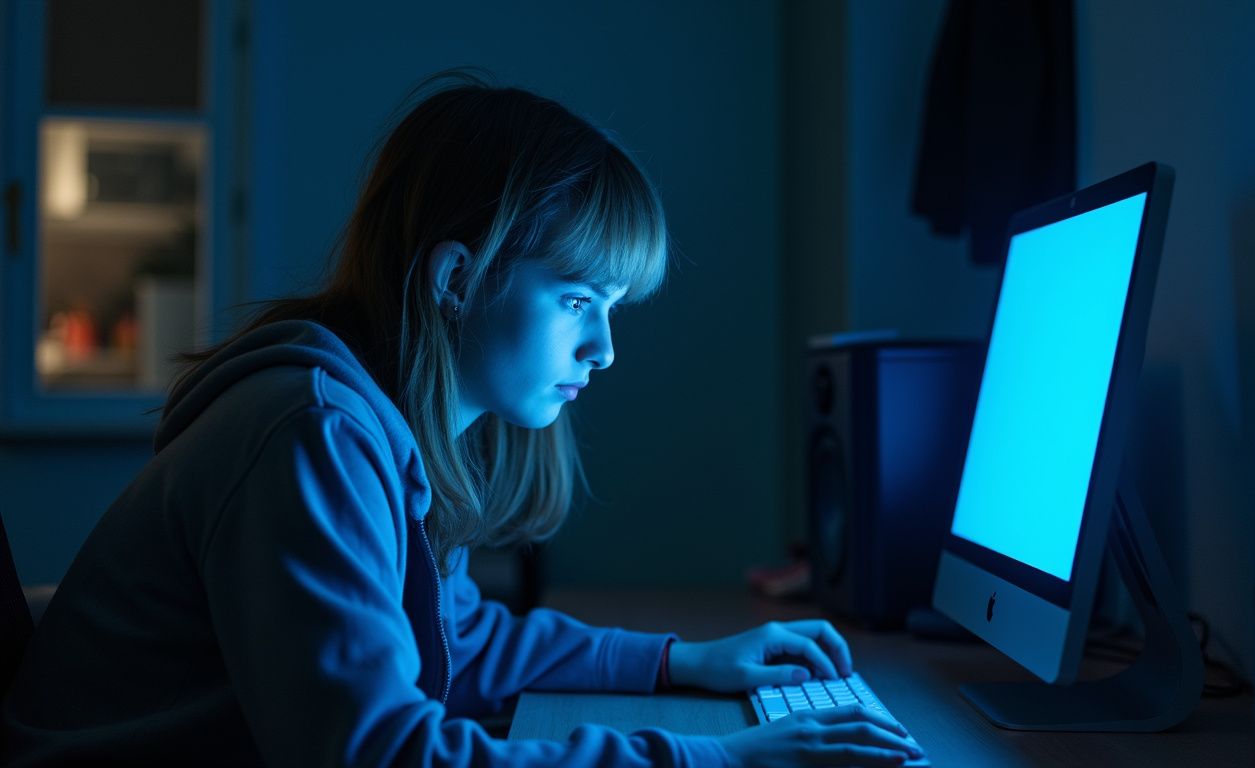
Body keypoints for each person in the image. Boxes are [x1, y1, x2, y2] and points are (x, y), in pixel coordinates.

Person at [0, 72, 923, 767]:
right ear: (456, 281)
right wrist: (713, 757)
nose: (604, 348)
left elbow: (457, 639)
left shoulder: (370, 419)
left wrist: (682, 661)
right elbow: (380, 755)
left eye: (613, 308)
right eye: (576, 301)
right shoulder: (311, 436)